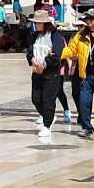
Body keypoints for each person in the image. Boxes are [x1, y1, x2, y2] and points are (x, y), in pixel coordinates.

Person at [63, 9, 94, 140]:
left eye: (91, 18)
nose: (88, 20)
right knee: (84, 101)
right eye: (87, 18)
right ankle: (86, 127)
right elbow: (71, 50)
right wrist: (58, 53)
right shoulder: (80, 35)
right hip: (86, 75)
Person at [26, 10, 68, 139]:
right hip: (36, 72)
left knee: (48, 100)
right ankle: (48, 115)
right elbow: (29, 52)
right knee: (36, 98)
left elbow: (56, 56)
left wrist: (43, 65)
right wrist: (35, 63)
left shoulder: (56, 37)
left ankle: (47, 125)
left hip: (50, 73)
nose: (36, 25)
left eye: (38, 23)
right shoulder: (34, 36)